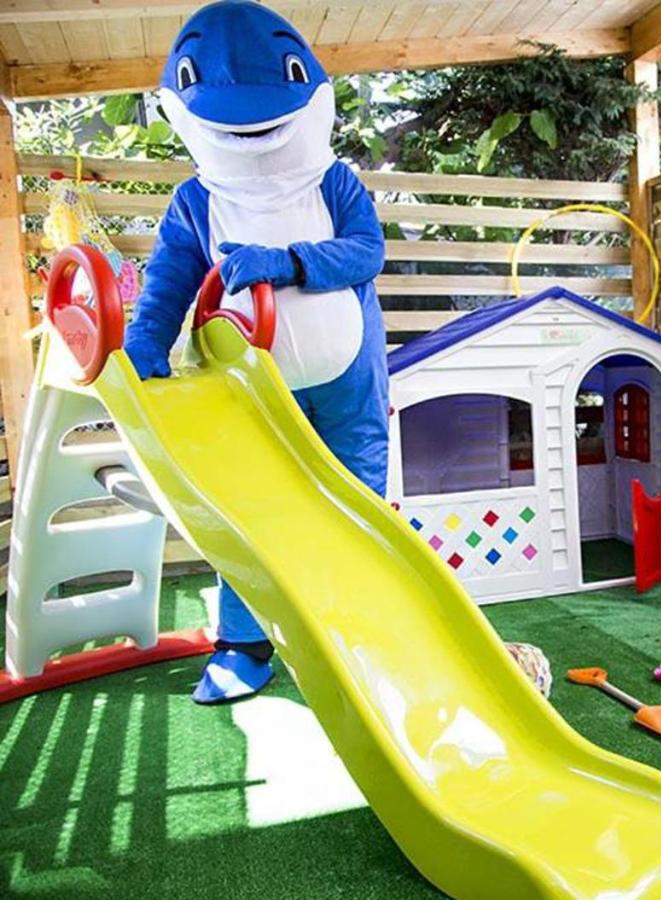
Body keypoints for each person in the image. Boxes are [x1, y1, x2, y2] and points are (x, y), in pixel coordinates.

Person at [123, 0, 388, 703]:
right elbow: (170, 280)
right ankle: (244, 645)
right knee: (253, 511)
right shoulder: (196, 200)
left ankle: (357, 628)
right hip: (249, 389)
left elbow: (367, 252)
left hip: (348, 386)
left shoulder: (334, 180)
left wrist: (290, 262)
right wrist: (145, 341)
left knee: (357, 501)